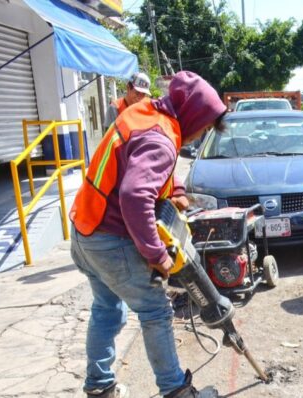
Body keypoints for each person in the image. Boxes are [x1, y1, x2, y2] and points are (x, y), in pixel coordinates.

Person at [69, 71, 227, 398]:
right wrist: (157, 255)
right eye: (204, 127)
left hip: (85, 231)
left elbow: (142, 166)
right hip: (110, 240)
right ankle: (176, 392)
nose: (199, 136)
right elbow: (135, 196)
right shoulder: (162, 138)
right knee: (155, 310)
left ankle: (99, 387)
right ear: (194, 115)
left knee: (106, 308)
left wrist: (178, 189)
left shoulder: (144, 114)